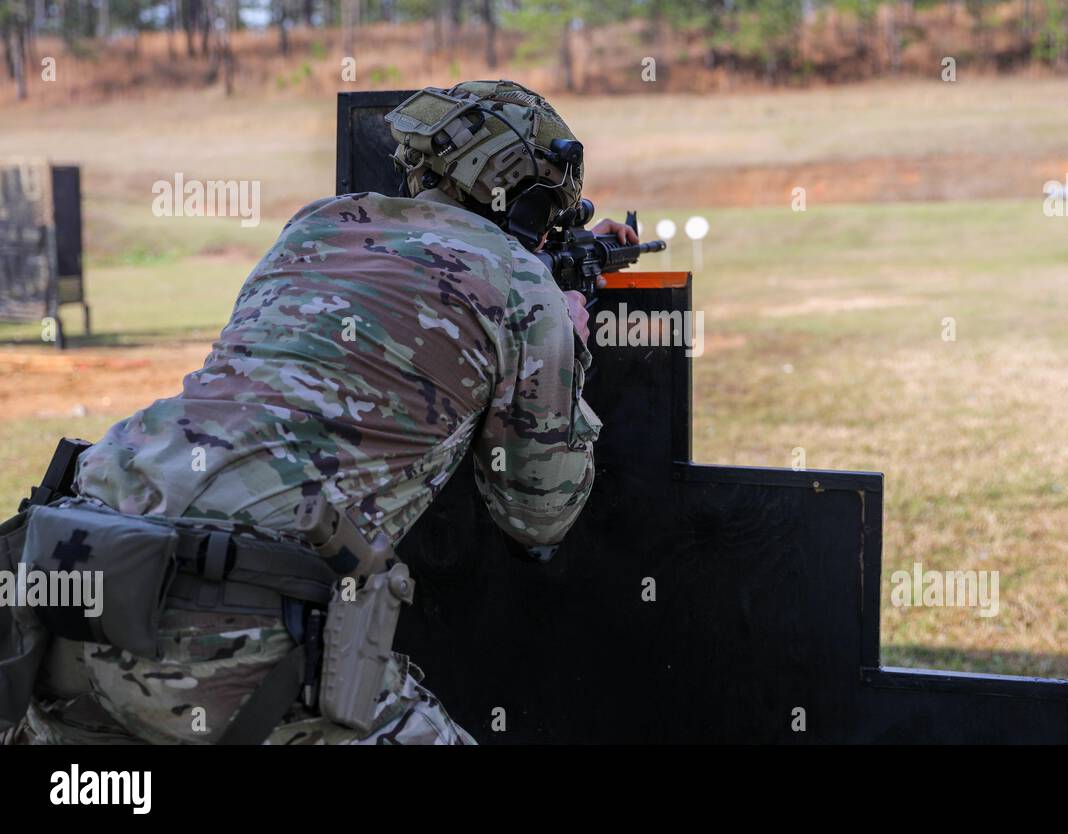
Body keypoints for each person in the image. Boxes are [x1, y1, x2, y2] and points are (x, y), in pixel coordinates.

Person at [15, 80, 636, 744]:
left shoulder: (317, 225)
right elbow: (538, 517)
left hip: (71, 584)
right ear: (535, 198)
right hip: (230, 638)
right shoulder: (523, 287)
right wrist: (562, 342)